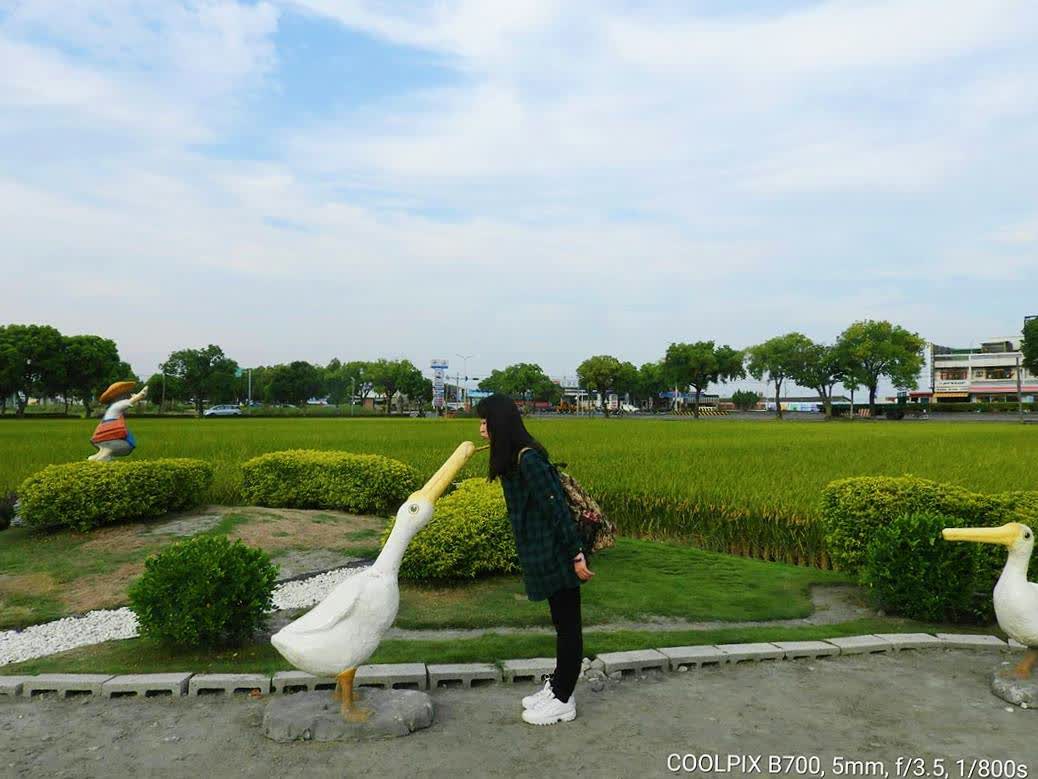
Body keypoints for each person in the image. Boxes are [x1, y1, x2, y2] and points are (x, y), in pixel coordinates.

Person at [476, 393, 594, 726]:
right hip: (543, 553)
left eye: (486, 422)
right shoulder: (514, 460)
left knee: (568, 626)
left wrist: (576, 554)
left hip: (558, 553)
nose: (481, 429)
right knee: (561, 623)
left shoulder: (528, 460)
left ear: (499, 423)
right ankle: (557, 685)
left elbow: (556, 509)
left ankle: (563, 698)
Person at [89, 382, 148, 461]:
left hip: (101, 437)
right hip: (110, 436)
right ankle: (103, 456)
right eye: (125, 393)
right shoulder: (117, 405)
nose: (128, 395)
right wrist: (141, 395)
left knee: (105, 449)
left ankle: (97, 457)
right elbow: (129, 402)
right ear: (119, 395)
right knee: (121, 446)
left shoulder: (111, 407)